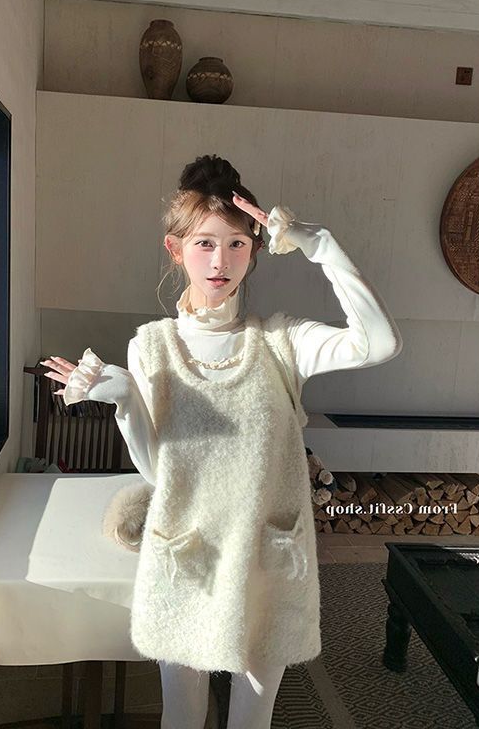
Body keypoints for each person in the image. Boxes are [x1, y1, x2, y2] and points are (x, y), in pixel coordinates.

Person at [41, 155, 402, 729]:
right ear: (175, 248)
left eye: (237, 244)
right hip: (186, 559)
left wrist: (321, 245)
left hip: (268, 560)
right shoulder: (151, 346)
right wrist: (125, 399)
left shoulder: (282, 341)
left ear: (255, 251)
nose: (220, 261)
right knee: (182, 719)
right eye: (205, 243)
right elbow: (160, 473)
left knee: (251, 722)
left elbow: (378, 342)